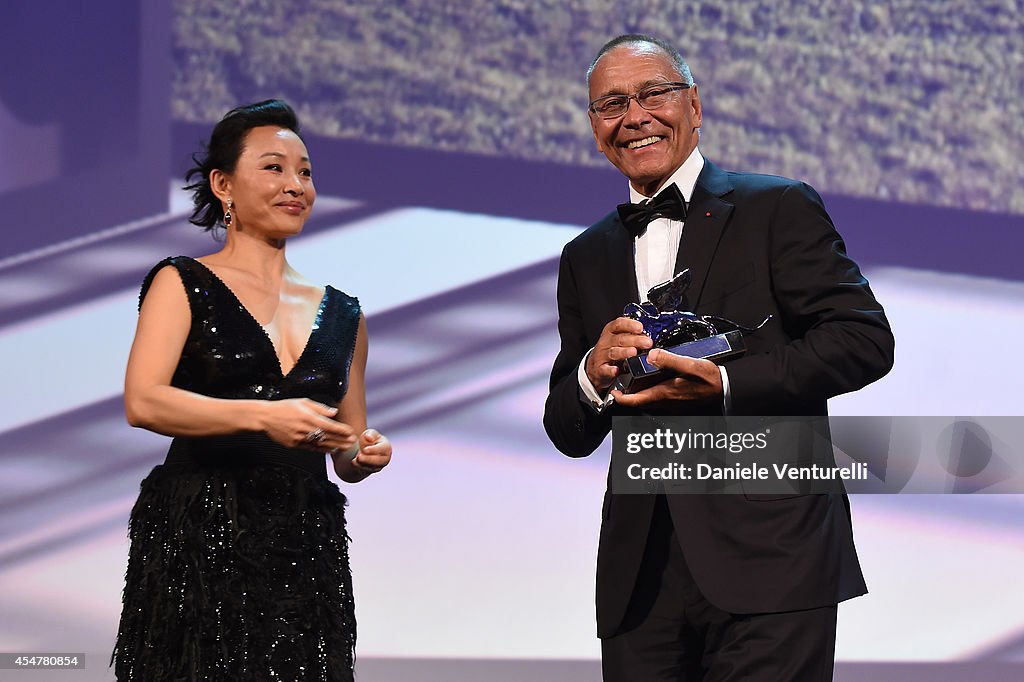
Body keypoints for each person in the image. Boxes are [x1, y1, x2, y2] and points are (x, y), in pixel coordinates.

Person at [543, 35, 894, 681]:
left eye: (654, 93)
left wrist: (726, 385)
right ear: (596, 130)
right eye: (612, 104)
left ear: (695, 105)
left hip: (773, 560)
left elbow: (863, 341)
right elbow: (566, 429)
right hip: (640, 581)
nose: (635, 115)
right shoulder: (586, 255)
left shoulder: (778, 208)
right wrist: (592, 376)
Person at [111, 99, 391, 681]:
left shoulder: (344, 313)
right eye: (273, 168)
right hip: (201, 532)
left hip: (303, 545)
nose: (296, 186)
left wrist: (364, 452)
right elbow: (143, 400)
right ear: (223, 184)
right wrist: (262, 417)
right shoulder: (181, 281)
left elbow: (346, 448)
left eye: (306, 172)